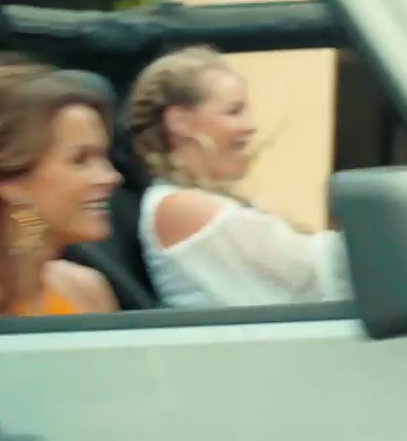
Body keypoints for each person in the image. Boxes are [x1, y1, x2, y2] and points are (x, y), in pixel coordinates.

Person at [125, 45, 350, 308]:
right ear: (179, 121)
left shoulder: (201, 199)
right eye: (233, 111)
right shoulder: (179, 206)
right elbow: (309, 273)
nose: (250, 126)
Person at [0, 59, 122, 319]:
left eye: (103, 157)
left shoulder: (85, 289)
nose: (111, 177)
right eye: (81, 160)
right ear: (9, 180)